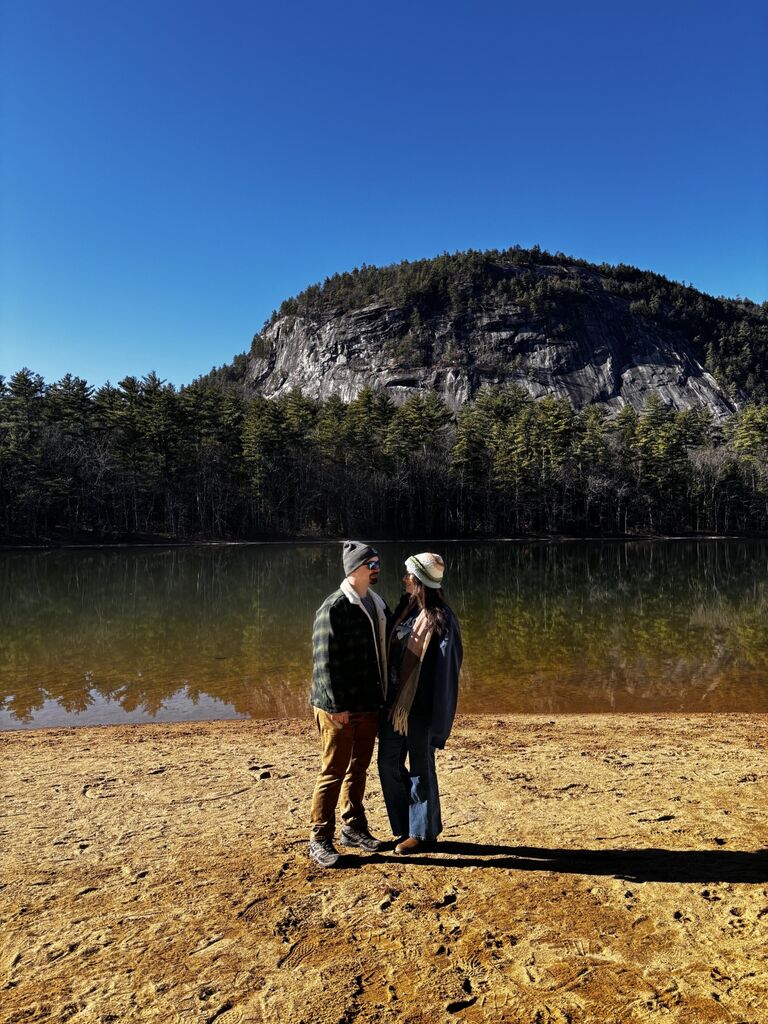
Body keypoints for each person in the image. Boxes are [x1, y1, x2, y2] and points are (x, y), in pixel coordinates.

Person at [308, 541, 391, 868]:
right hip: (338, 707)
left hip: (368, 703)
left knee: (358, 768)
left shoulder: (377, 603)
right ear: (355, 569)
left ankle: (353, 826)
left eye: (377, 563)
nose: (377, 569)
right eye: (372, 564)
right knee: (333, 771)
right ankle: (319, 839)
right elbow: (323, 662)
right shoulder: (334, 608)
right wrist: (335, 705)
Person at [377, 552, 463, 854]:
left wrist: (438, 717)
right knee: (387, 762)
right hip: (396, 704)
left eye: (409, 576)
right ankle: (404, 827)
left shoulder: (442, 620)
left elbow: (447, 673)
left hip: (421, 707)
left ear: (421, 581)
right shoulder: (406, 608)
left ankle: (422, 833)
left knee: (420, 769)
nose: (404, 580)